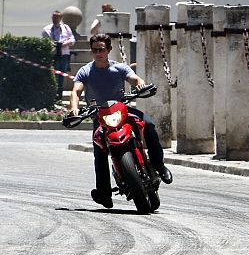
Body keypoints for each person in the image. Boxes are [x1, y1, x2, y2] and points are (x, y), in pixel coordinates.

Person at [69, 33, 173, 209]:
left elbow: (135, 79)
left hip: (122, 110)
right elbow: (76, 91)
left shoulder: (119, 68)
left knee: (148, 124)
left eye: (101, 49)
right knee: (99, 152)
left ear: (108, 50)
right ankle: (104, 193)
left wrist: (140, 85)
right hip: (100, 117)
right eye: (95, 50)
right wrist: (74, 108)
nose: (98, 53)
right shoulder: (85, 71)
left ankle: (159, 165)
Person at [41, 11, 75, 99]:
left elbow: (72, 39)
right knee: (54, 76)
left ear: (61, 18)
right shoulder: (47, 29)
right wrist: (55, 44)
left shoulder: (66, 28)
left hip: (64, 55)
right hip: (54, 55)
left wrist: (65, 43)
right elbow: (46, 41)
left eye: (57, 17)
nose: (55, 19)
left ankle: (59, 96)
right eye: (54, 17)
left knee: (62, 76)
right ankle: (53, 95)